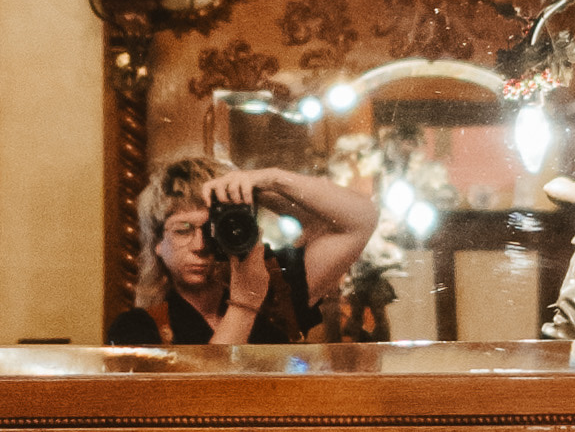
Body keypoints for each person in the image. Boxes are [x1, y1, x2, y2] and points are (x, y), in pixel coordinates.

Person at [115, 146, 383, 349]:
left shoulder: (276, 289)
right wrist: (244, 304)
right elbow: (200, 402)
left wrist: (269, 183)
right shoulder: (137, 328)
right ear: (157, 244)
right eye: (183, 229)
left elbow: (361, 220)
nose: (200, 245)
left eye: (212, 229)